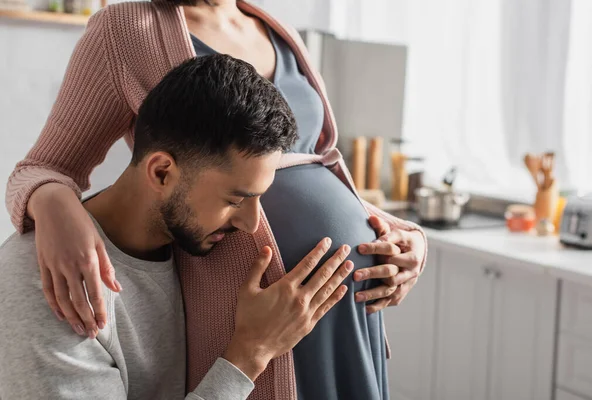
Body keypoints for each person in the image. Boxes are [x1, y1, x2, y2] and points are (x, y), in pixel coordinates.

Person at [5, 1, 428, 399]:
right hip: (247, 318)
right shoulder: (127, 32)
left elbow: (305, 165)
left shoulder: (275, 30)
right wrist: (58, 210)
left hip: (341, 306)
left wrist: (402, 234)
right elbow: (44, 166)